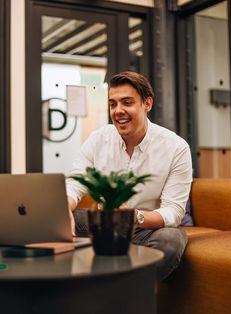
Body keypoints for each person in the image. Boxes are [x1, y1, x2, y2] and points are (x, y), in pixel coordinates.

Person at [66, 71, 192, 281]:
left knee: (171, 239)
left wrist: (134, 216)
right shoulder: (98, 139)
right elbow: (75, 182)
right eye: (113, 104)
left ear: (147, 104)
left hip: (144, 229)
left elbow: (173, 212)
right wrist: (64, 207)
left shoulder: (176, 148)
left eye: (127, 102)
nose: (118, 111)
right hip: (101, 222)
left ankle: (122, 294)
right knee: (47, 222)